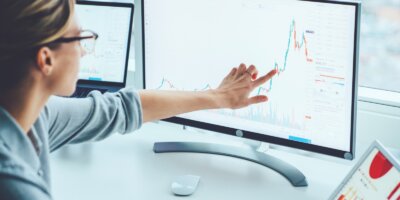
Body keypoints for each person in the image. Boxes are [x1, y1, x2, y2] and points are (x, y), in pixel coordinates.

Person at [0, 0, 276, 199]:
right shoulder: (12, 182)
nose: (85, 52)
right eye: (80, 39)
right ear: (46, 60)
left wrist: (219, 97)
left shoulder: (34, 116)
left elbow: (120, 108)